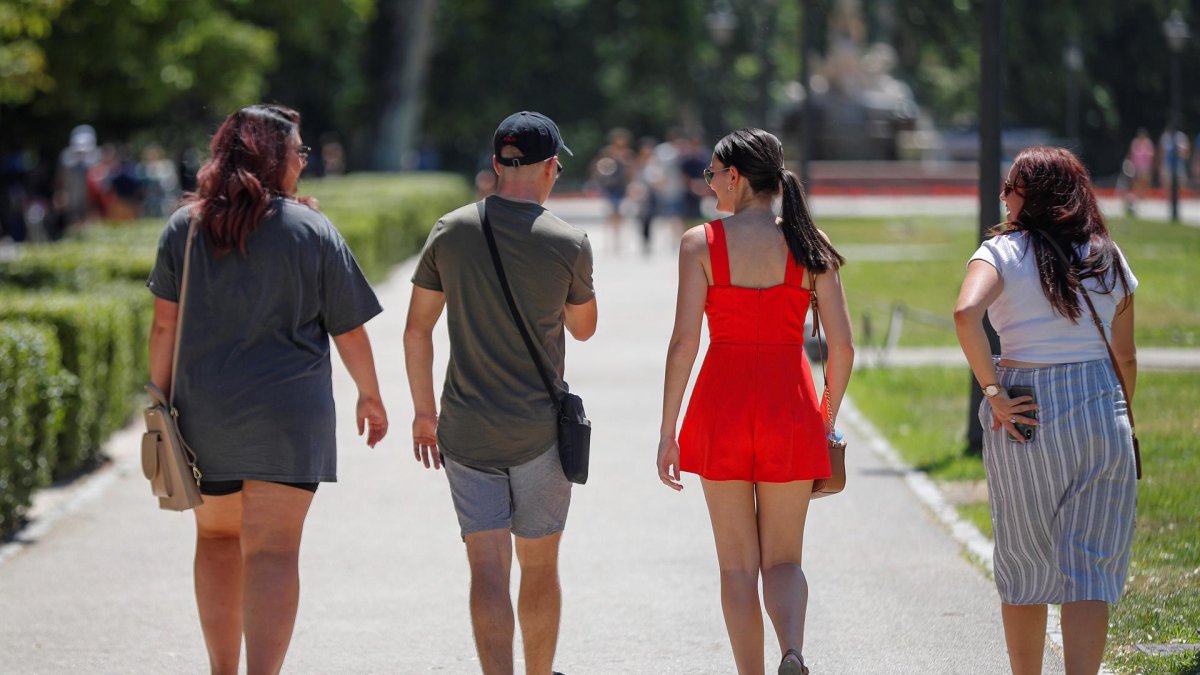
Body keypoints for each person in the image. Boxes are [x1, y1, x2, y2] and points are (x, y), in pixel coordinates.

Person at [146, 104, 388, 675]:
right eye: (298, 150)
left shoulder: (185, 227)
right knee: (275, 549)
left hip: (206, 414)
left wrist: (158, 402)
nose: (304, 160)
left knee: (217, 540)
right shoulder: (311, 229)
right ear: (272, 156)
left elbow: (164, 325)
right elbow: (348, 327)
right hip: (290, 414)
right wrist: (369, 394)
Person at [404, 111, 597, 675]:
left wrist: (423, 413)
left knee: (487, 569)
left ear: (496, 165)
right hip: (539, 431)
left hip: (464, 430)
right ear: (550, 168)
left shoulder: (451, 230)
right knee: (539, 568)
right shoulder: (568, 242)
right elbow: (583, 328)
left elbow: (417, 328)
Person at [657, 128, 853, 675]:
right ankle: (792, 648)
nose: (710, 182)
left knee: (737, 568)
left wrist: (668, 430)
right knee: (785, 560)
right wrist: (827, 419)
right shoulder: (809, 242)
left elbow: (683, 343)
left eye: (714, 173)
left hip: (720, 409)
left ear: (736, 177)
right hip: (790, 411)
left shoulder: (701, 243)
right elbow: (842, 346)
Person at [953, 146, 1138, 675]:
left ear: (1031, 195)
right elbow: (1124, 354)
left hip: (1027, 410)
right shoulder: (1107, 254)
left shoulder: (1001, 252)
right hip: (1104, 406)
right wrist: (1121, 415)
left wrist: (992, 392)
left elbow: (966, 313)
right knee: (1090, 568)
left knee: (1024, 563)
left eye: (1010, 187)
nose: (1003, 196)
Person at [587, 127, 633, 252]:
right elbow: (597, 166)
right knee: (611, 213)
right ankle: (611, 240)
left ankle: (618, 239)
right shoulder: (607, 152)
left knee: (619, 214)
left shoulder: (626, 154)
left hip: (621, 187)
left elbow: (630, 171)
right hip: (609, 187)